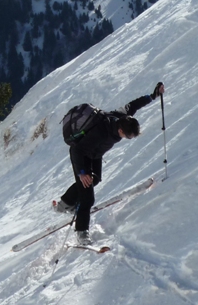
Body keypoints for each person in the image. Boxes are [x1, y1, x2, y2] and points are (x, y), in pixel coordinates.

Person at [55, 82, 165, 244]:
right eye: (128, 137)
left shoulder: (121, 117)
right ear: (121, 131)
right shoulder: (101, 132)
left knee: (96, 179)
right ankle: (81, 233)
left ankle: (65, 203)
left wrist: (153, 95)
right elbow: (76, 151)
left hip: (95, 154)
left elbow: (134, 105)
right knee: (87, 197)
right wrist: (82, 172)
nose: (128, 139)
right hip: (82, 156)